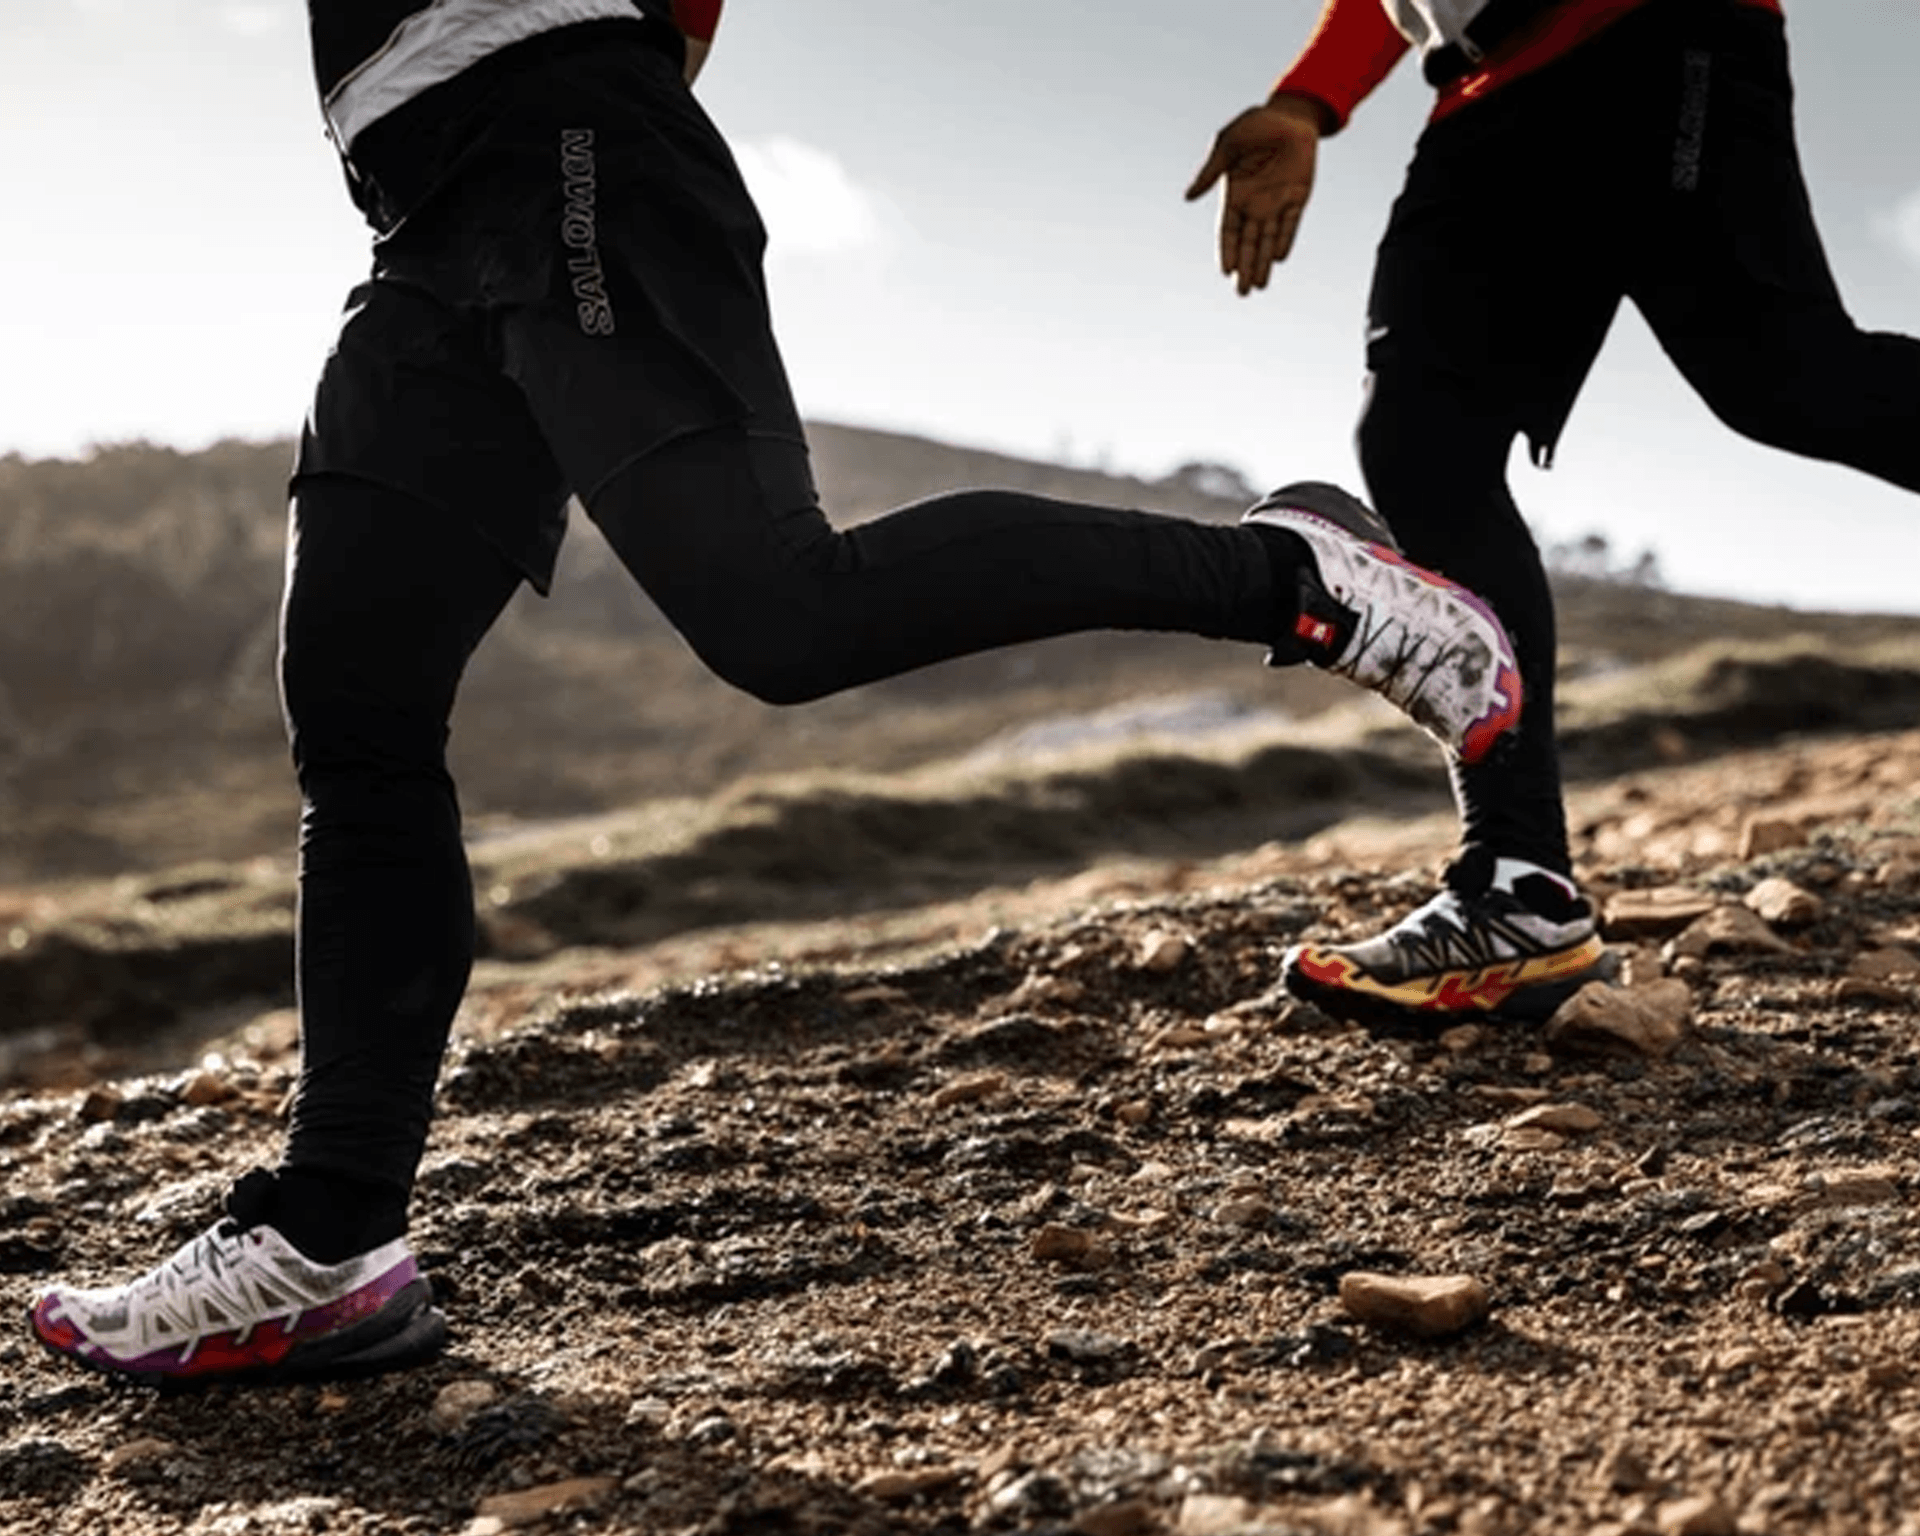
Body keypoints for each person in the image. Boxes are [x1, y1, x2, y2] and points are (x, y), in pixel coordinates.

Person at [27, 0, 1522, 1385]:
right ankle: (329, 1239)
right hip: (421, 208)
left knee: (785, 617)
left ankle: (1290, 576)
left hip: (565, 136)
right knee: (355, 708)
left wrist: (604, 111)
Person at [1187, 0, 1920, 1023]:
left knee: (1787, 381)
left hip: (1652, 31)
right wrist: (1307, 102)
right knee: (1421, 443)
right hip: (1481, 92)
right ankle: (1519, 890)